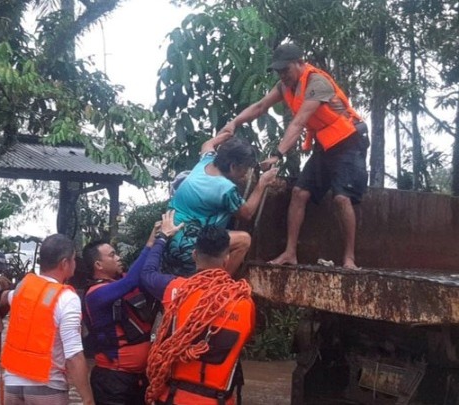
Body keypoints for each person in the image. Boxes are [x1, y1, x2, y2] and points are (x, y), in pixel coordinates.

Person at [217, 42, 368, 269]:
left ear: (300, 63)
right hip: (325, 143)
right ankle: (290, 253)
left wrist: (277, 154)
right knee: (299, 192)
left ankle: (349, 259)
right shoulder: (284, 87)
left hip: (349, 142)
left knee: (341, 198)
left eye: (285, 69)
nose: (282, 75)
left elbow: (299, 122)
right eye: (278, 71)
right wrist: (234, 122)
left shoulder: (317, 83)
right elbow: (260, 106)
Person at [140, 211, 255, 405]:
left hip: (172, 399)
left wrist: (162, 237)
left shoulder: (175, 290)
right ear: (227, 259)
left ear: (194, 255)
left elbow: (147, 273)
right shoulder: (245, 303)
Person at [82, 221, 179, 405]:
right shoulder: (95, 295)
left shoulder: (121, 282)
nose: (118, 258)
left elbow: (141, 273)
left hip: (137, 379)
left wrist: (153, 241)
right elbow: (132, 280)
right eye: (112, 255)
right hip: (113, 381)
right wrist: (160, 240)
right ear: (98, 265)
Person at [0, 234, 94, 405]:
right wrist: (88, 399)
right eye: (73, 259)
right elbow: (73, 355)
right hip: (47, 386)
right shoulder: (66, 298)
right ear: (64, 263)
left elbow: (6, 297)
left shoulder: (22, 288)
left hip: (11, 384)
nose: (75, 264)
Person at [166, 136, 278, 276]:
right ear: (233, 166)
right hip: (188, 249)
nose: (245, 174)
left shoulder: (206, 161)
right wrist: (262, 183)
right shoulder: (225, 188)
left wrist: (229, 129)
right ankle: (217, 285)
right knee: (244, 240)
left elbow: (207, 143)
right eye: (245, 169)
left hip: (168, 239)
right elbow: (247, 213)